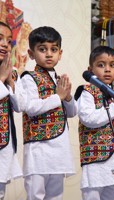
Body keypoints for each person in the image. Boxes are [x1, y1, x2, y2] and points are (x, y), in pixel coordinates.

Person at [20, 26, 77, 200]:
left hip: (59, 151)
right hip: (39, 150)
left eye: (54, 49)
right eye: (42, 49)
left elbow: (72, 112)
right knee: (35, 195)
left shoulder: (59, 80)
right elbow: (30, 107)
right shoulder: (29, 77)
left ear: (60, 53)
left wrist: (67, 97)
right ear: (31, 54)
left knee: (56, 196)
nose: (49, 54)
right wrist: (58, 96)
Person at [75, 45, 114, 200]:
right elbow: (89, 119)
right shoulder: (86, 91)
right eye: (101, 65)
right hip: (95, 161)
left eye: (112, 65)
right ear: (90, 69)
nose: (107, 70)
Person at [0, 21, 25, 199]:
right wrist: (1, 78)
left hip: (4, 144)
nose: (5, 44)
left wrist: (10, 82)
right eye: (0, 39)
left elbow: (20, 106)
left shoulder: (12, 71)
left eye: (9, 41)